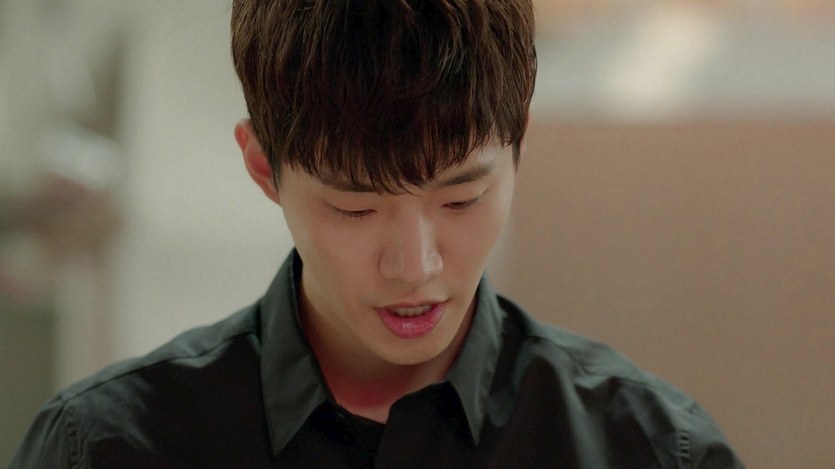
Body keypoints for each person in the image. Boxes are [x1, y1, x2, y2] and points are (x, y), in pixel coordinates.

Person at [11, 1, 744, 467]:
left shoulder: (647, 448)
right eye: (354, 209)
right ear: (263, 167)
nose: (414, 266)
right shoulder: (104, 448)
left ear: (518, 141)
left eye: (462, 198)